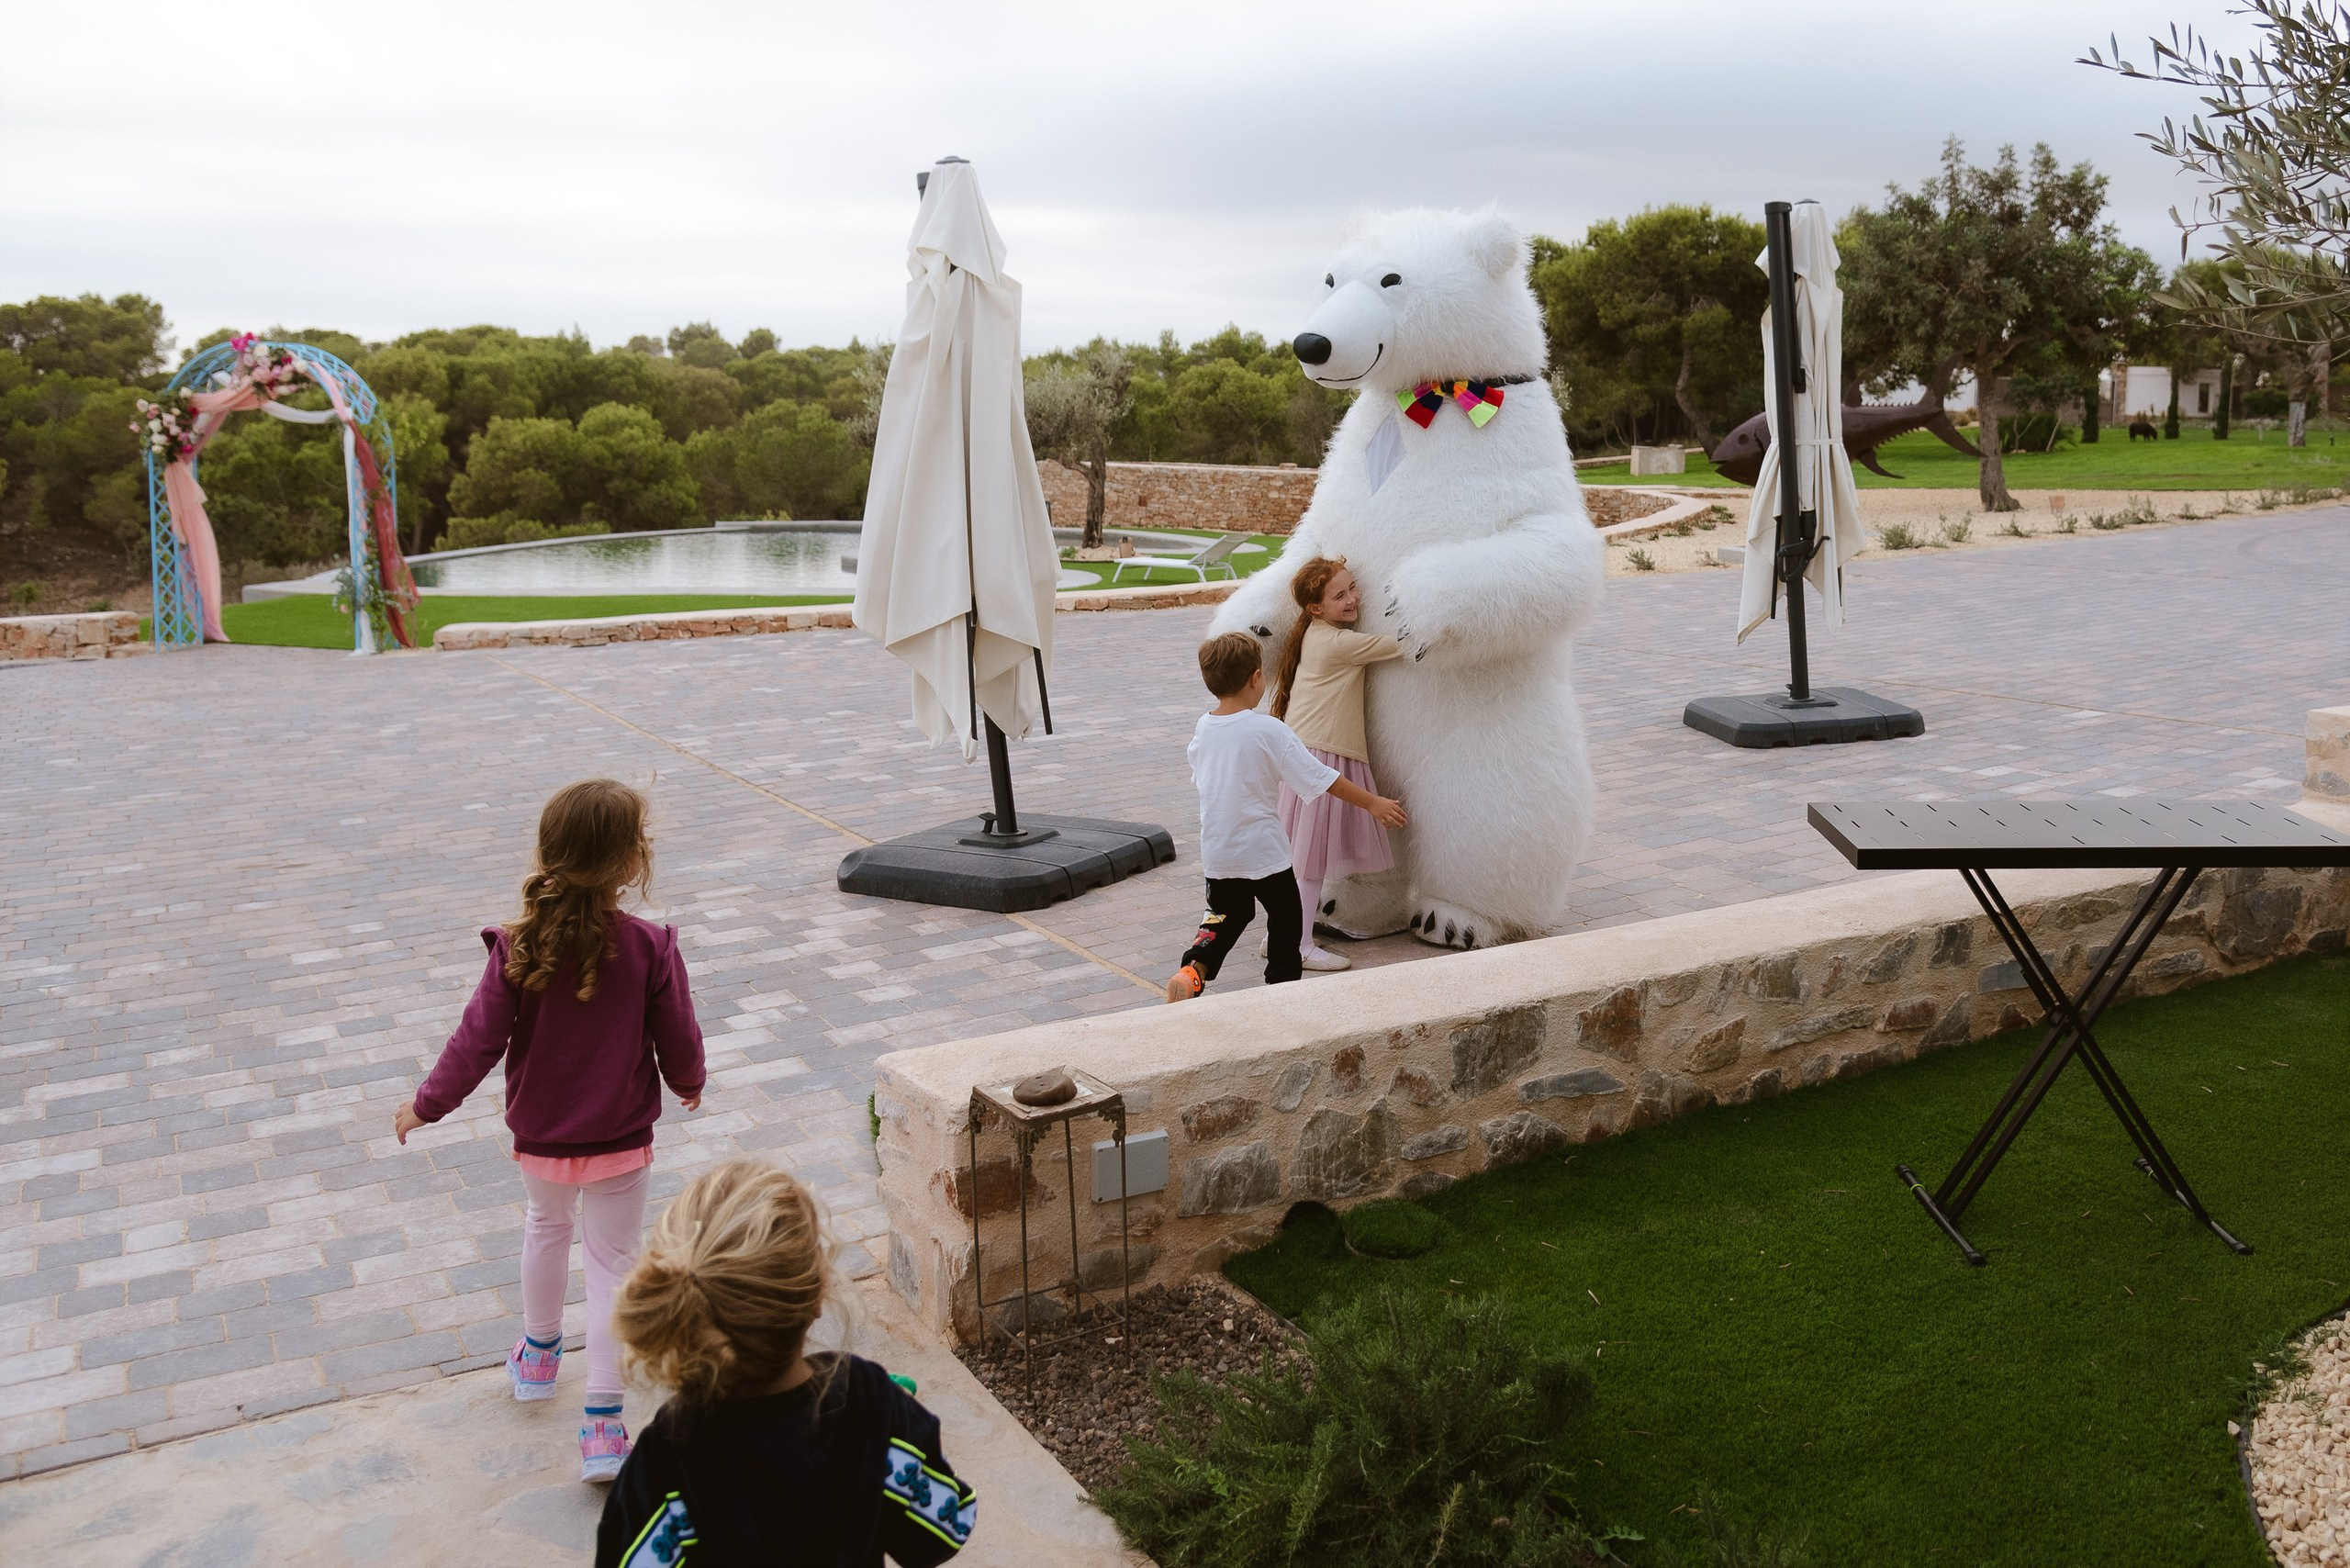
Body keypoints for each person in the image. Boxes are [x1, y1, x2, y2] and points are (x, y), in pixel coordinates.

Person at [394, 778, 705, 1484]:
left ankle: (537, 1358)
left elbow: (475, 1042)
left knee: (544, 1228)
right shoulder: (651, 946)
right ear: (629, 864)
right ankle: (601, 1425)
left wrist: (427, 1105)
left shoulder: (516, 947)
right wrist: (689, 1083)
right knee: (612, 1269)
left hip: (541, 1140)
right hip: (621, 1140)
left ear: (551, 854)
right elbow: (677, 1035)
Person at [594, 1159, 978, 1568]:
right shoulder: (865, 1401)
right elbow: (942, 1529)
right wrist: (900, 1426)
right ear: (815, 1298)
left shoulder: (669, 1455)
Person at [1168, 631, 1406, 1002]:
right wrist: (1372, 803)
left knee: (1224, 914)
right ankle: (1282, 992)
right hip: (1264, 852)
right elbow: (1323, 777)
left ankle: (1194, 967)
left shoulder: (1204, 727)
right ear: (1256, 678)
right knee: (1286, 917)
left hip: (1218, 851)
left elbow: (1202, 775)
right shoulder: (1268, 729)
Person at [1269, 556, 1404, 973]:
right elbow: (1403, 644)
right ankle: (1300, 946)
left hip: (1304, 751)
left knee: (1298, 857)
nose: (1353, 599)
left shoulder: (1315, 633)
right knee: (1309, 861)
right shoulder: (1339, 644)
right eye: (1340, 595)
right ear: (1315, 608)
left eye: (1352, 588)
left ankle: (1279, 938)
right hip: (1322, 754)